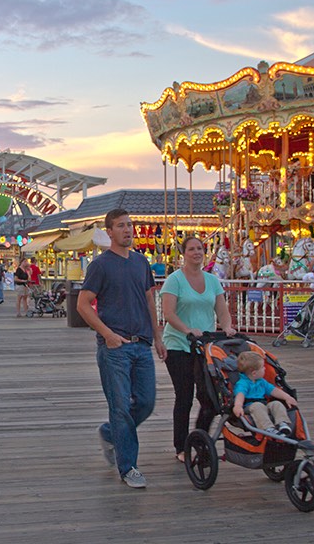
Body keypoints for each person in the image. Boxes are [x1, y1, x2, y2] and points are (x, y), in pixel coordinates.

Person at [77, 209, 166, 489]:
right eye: (121, 226)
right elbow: (83, 304)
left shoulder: (141, 263)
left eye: (130, 225)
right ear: (110, 232)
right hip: (114, 347)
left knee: (146, 402)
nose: (128, 230)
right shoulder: (101, 265)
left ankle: (110, 434)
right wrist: (107, 334)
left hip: (141, 344)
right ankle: (128, 467)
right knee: (120, 408)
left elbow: (150, 301)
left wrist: (158, 336)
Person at [160, 236, 234, 463]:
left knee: (209, 397)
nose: (196, 252)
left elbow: (221, 309)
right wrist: (187, 329)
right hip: (179, 344)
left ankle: (200, 439)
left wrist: (228, 327)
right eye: (191, 249)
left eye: (200, 248)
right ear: (184, 253)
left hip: (206, 346)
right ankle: (181, 446)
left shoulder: (212, 280)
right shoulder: (175, 280)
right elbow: (169, 313)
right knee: (185, 395)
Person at [232, 351, 297, 436]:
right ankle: (268, 428)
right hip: (249, 406)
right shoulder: (243, 383)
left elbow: (273, 390)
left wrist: (287, 397)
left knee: (276, 403)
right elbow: (240, 395)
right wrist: (238, 406)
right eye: (262, 367)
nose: (265, 369)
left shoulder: (262, 382)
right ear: (254, 373)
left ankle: (282, 423)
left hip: (264, 405)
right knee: (257, 406)